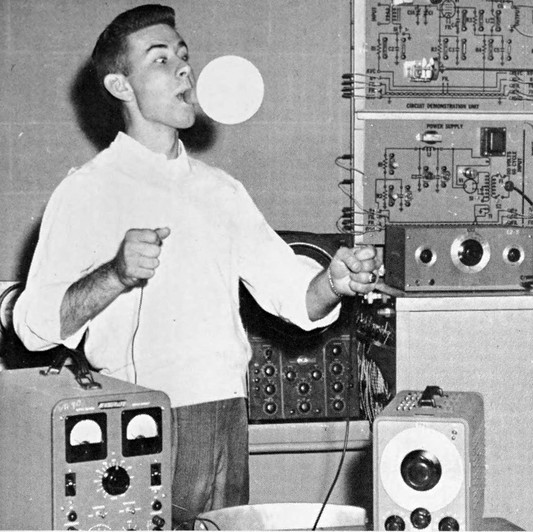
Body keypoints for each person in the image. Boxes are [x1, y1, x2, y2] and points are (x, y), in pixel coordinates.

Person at [12, 4, 380, 527]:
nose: (185, 69)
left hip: (226, 413)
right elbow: (34, 329)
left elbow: (296, 297)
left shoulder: (221, 190)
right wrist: (115, 274)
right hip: (140, 421)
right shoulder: (85, 190)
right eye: (160, 59)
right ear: (120, 85)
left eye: (184, 55)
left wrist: (333, 283)